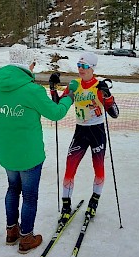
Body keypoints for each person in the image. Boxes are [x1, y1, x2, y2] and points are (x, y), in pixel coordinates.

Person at [0, 44, 74, 254]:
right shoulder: (31, 90)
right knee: (29, 196)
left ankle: (11, 231)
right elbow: (56, 113)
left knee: (13, 189)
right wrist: (69, 97)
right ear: (28, 64)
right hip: (30, 156)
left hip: (6, 154)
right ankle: (26, 238)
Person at [49, 52, 119, 223]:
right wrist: (52, 87)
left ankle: (94, 202)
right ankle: (66, 206)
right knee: (70, 168)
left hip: (97, 132)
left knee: (99, 169)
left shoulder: (99, 86)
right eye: (79, 65)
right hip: (80, 131)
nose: (81, 69)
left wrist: (107, 95)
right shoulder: (74, 84)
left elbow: (114, 113)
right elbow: (58, 104)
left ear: (92, 68)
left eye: (85, 66)